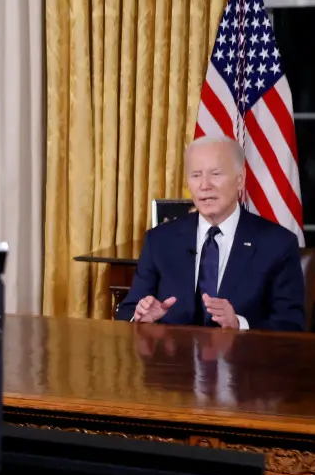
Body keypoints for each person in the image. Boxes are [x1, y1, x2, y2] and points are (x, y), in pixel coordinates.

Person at [114, 134, 305, 331]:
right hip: (174, 360)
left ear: (240, 180)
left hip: (243, 359)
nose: (205, 186)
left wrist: (240, 324)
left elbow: (291, 325)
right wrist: (141, 317)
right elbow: (127, 311)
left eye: (216, 174)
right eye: (196, 175)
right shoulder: (160, 241)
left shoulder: (277, 244)